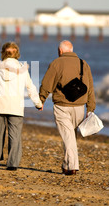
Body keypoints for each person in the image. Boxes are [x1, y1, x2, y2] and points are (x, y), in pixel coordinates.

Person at [39, 40, 95, 175]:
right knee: (70, 136)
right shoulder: (83, 64)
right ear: (72, 50)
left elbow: (47, 84)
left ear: (60, 51)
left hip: (62, 106)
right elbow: (90, 87)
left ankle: (72, 167)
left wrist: (41, 100)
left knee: (68, 137)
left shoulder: (56, 63)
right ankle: (66, 165)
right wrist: (90, 107)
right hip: (80, 107)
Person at [0, 42, 43, 171]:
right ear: (17, 53)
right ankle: (12, 164)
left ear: (3, 52)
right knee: (15, 135)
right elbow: (30, 87)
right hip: (16, 106)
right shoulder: (22, 68)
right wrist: (38, 103)